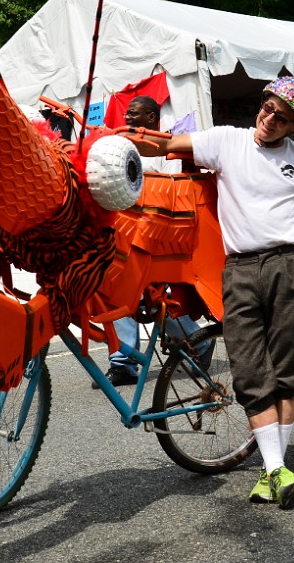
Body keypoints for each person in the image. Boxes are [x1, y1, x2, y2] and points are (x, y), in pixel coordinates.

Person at [135, 76, 294, 508]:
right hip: (239, 269)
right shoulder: (227, 141)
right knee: (247, 371)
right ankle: (277, 470)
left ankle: (272, 470)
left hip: (289, 266)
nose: (270, 118)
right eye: (268, 107)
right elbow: (165, 146)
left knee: (286, 370)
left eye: (283, 117)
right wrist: (125, 139)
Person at [95, 96, 203, 387]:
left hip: (158, 232)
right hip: (124, 230)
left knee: (150, 300)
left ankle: (198, 343)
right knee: (120, 291)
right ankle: (124, 362)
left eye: (136, 114)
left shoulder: (167, 146)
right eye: (127, 114)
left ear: (153, 117)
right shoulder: (121, 147)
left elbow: (172, 193)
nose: (128, 118)